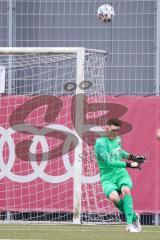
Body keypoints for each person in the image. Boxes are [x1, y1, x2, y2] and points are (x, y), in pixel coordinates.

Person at [94, 118, 145, 233]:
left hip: (121, 174)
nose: (116, 133)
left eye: (118, 130)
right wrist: (130, 164)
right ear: (107, 128)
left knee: (126, 190)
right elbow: (110, 162)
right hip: (107, 177)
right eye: (114, 130)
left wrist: (133, 157)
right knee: (114, 198)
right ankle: (134, 217)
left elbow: (120, 152)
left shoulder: (117, 139)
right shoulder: (100, 143)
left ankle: (129, 225)